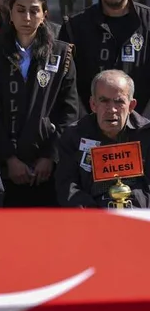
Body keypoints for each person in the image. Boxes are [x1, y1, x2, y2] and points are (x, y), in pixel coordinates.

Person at [0, 0, 80, 208]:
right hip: (6, 168)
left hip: (49, 167)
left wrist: (50, 156)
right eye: (20, 9)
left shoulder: (61, 54)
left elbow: (69, 111)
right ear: (10, 14)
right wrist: (10, 159)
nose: (27, 16)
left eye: (34, 10)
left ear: (44, 15)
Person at [59, 0, 150, 115]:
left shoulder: (148, 23)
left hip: (141, 129)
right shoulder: (74, 27)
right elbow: (66, 87)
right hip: (89, 129)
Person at [56, 70, 150, 208]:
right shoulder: (74, 136)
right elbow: (67, 187)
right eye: (104, 101)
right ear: (93, 104)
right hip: (92, 220)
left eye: (119, 101)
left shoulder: (146, 134)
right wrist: (97, 218)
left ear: (131, 106)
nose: (111, 109)